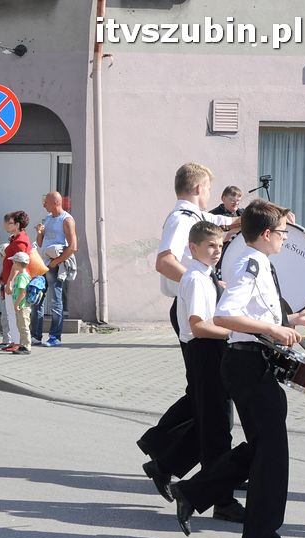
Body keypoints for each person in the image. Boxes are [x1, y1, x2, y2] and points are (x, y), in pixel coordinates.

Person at [169, 200, 305, 538]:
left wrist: (291, 321)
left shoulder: (259, 263)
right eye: (282, 232)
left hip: (250, 365)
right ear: (266, 234)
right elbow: (225, 315)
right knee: (273, 454)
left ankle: (195, 492)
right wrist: (272, 328)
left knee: (262, 448)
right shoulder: (252, 262)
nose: (286, 237)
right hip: (248, 367)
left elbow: (255, 312)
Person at [137, 163, 239, 492]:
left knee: (205, 396)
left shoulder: (197, 218)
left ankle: (164, 459)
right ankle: (166, 451)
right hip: (193, 311)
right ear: (198, 189)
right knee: (208, 399)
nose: (209, 195)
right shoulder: (182, 219)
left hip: (198, 308)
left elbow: (224, 222)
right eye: (208, 189)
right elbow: (164, 260)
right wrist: (199, 283)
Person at [172, 220, 244, 521]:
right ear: (193, 248)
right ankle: (221, 501)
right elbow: (199, 326)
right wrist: (235, 333)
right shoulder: (196, 279)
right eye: (211, 246)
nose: (217, 251)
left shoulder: (206, 276)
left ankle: (212, 492)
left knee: (216, 428)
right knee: (216, 431)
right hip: (204, 354)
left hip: (210, 353)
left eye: (220, 245)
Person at [32, 192, 77, 347]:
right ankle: (35, 336)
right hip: (42, 264)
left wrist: (56, 262)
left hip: (55, 265)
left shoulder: (67, 220)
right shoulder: (48, 218)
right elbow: (41, 242)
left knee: (55, 301)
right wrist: (39, 234)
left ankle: (55, 337)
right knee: (37, 298)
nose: (44, 205)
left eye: (46, 202)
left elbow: (73, 247)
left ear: (55, 202)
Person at [0, 210, 30, 350]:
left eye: (10, 223)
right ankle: (15, 342)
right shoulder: (15, 238)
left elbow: (17, 265)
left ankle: (18, 343)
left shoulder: (20, 241)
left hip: (16, 281)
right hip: (11, 279)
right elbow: (9, 263)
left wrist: (9, 282)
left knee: (14, 313)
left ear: (17, 225)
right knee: (10, 313)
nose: (7, 225)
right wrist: (2, 277)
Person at [8, 251, 32, 355]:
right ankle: (23, 345)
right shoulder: (23, 275)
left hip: (22, 306)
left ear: (18, 263)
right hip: (21, 305)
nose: (13, 264)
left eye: (13, 262)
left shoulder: (22, 277)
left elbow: (23, 292)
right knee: (21, 325)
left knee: (23, 326)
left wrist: (16, 304)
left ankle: (26, 346)